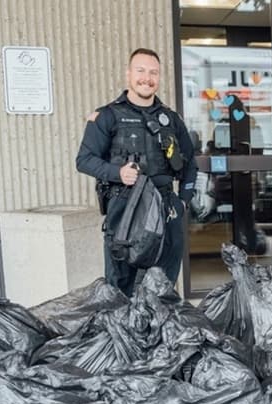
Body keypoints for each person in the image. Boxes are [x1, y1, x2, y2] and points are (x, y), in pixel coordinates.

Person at [76, 48, 198, 296]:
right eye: (141, 71)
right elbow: (84, 160)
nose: (147, 78)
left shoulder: (171, 119)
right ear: (128, 74)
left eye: (154, 72)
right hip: (125, 208)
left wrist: (183, 201)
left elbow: (190, 165)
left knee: (163, 288)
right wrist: (117, 172)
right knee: (121, 291)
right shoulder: (107, 116)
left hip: (167, 208)